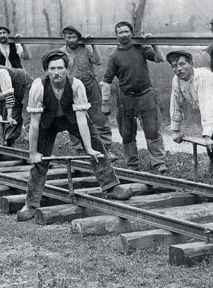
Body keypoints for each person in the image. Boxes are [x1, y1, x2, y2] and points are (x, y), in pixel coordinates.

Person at [17, 50, 132, 222]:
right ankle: (31, 205)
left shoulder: (76, 85)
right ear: (47, 70)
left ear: (67, 69)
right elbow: (34, 124)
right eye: (52, 68)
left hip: (72, 118)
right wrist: (33, 153)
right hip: (46, 122)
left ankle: (111, 187)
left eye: (60, 68)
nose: (56, 72)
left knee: (97, 147)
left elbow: (82, 120)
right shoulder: (38, 86)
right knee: (39, 162)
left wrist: (89, 148)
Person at [101, 21, 168, 174]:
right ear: (116, 36)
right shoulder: (114, 56)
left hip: (146, 95)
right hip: (126, 98)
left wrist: (153, 43)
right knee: (127, 132)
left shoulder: (141, 48)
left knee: (152, 130)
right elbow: (106, 81)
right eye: (120, 32)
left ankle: (158, 163)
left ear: (131, 33)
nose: (124, 35)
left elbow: (160, 59)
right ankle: (132, 164)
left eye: (126, 31)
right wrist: (105, 103)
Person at [167, 50, 213, 183]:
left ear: (191, 64)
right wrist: (176, 130)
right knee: (212, 148)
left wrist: (206, 136)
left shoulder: (203, 78)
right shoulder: (177, 80)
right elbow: (175, 104)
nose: (178, 69)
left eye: (182, 64)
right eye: (174, 66)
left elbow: (208, 106)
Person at [59, 25, 115, 158]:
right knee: (74, 119)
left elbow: (99, 61)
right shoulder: (61, 53)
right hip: (71, 88)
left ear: (78, 38)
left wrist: (93, 45)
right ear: (64, 38)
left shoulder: (86, 48)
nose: (71, 40)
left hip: (90, 86)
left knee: (99, 118)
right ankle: (79, 150)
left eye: (74, 37)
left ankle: (105, 149)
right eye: (69, 37)